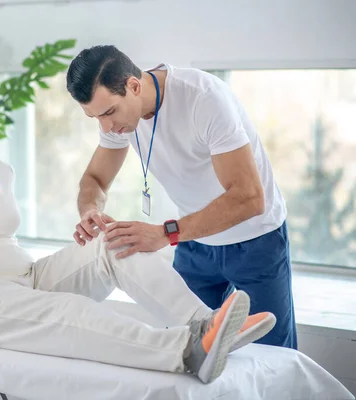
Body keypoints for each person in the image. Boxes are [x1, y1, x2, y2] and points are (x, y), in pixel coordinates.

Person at [0, 88, 276, 384]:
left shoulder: (1, 171)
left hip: (26, 277)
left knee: (113, 241)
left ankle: (204, 323)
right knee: (70, 313)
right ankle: (186, 353)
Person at [65, 45, 296, 350]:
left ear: (134, 86)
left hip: (255, 241)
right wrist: (89, 209)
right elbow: (94, 179)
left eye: (108, 112)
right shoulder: (117, 122)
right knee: (188, 350)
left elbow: (249, 198)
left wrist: (164, 233)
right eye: (95, 117)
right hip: (194, 243)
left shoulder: (203, 98)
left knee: (274, 358)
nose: (107, 127)